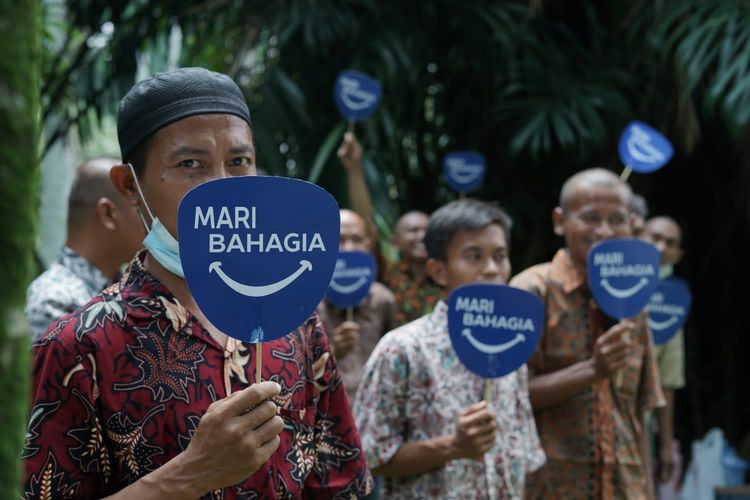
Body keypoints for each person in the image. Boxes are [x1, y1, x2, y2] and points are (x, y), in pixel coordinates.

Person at [22, 67, 371, 499]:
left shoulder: (293, 320)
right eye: (191, 164)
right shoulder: (78, 346)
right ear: (130, 186)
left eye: (239, 162)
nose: (223, 188)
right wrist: (190, 474)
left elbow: (341, 484)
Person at [354, 199, 545, 499]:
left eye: (500, 256)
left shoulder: (512, 345)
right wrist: (453, 446)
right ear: (438, 270)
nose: (492, 270)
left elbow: (524, 453)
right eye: (474, 256)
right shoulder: (403, 349)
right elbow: (368, 454)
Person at [511, 168, 665, 499]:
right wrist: (593, 370)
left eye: (617, 219)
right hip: (549, 487)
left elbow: (640, 409)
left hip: (626, 487)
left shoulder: (634, 299)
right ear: (559, 221)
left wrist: (647, 492)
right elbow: (509, 396)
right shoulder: (531, 293)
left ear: (632, 224)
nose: (605, 230)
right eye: (591, 217)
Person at [25, 157, 144, 339]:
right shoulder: (54, 301)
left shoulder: (128, 290)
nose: (152, 222)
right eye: (140, 210)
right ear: (108, 214)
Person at [338, 131, 441, 326]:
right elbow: (366, 224)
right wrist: (354, 168)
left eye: (427, 231)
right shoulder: (386, 270)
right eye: (413, 231)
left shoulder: (446, 275)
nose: (422, 236)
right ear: (394, 241)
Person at [316, 209, 396, 401]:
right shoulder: (309, 302)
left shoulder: (383, 299)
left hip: (374, 407)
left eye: (357, 240)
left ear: (368, 246)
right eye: (340, 240)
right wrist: (334, 352)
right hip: (327, 410)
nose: (348, 249)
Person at [641, 215, 686, 486]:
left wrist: (666, 445)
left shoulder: (672, 302)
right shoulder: (610, 285)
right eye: (654, 238)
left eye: (669, 243)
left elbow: (667, 381)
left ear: (677, 255)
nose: (660, 247)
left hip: (640, 425)